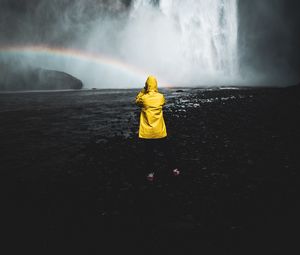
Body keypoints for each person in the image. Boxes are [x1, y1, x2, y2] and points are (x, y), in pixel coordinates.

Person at [135, 75, 180, 181]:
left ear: (147, 85)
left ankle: (150, 173)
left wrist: (143, 91)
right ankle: (175, 169)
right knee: (167, 150)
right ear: (156, 85)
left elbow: (137, 101)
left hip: (148, 132)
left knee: (149, 153)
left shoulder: (144, 98)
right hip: (160, 130)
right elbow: (163, 103)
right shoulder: (160, 97)